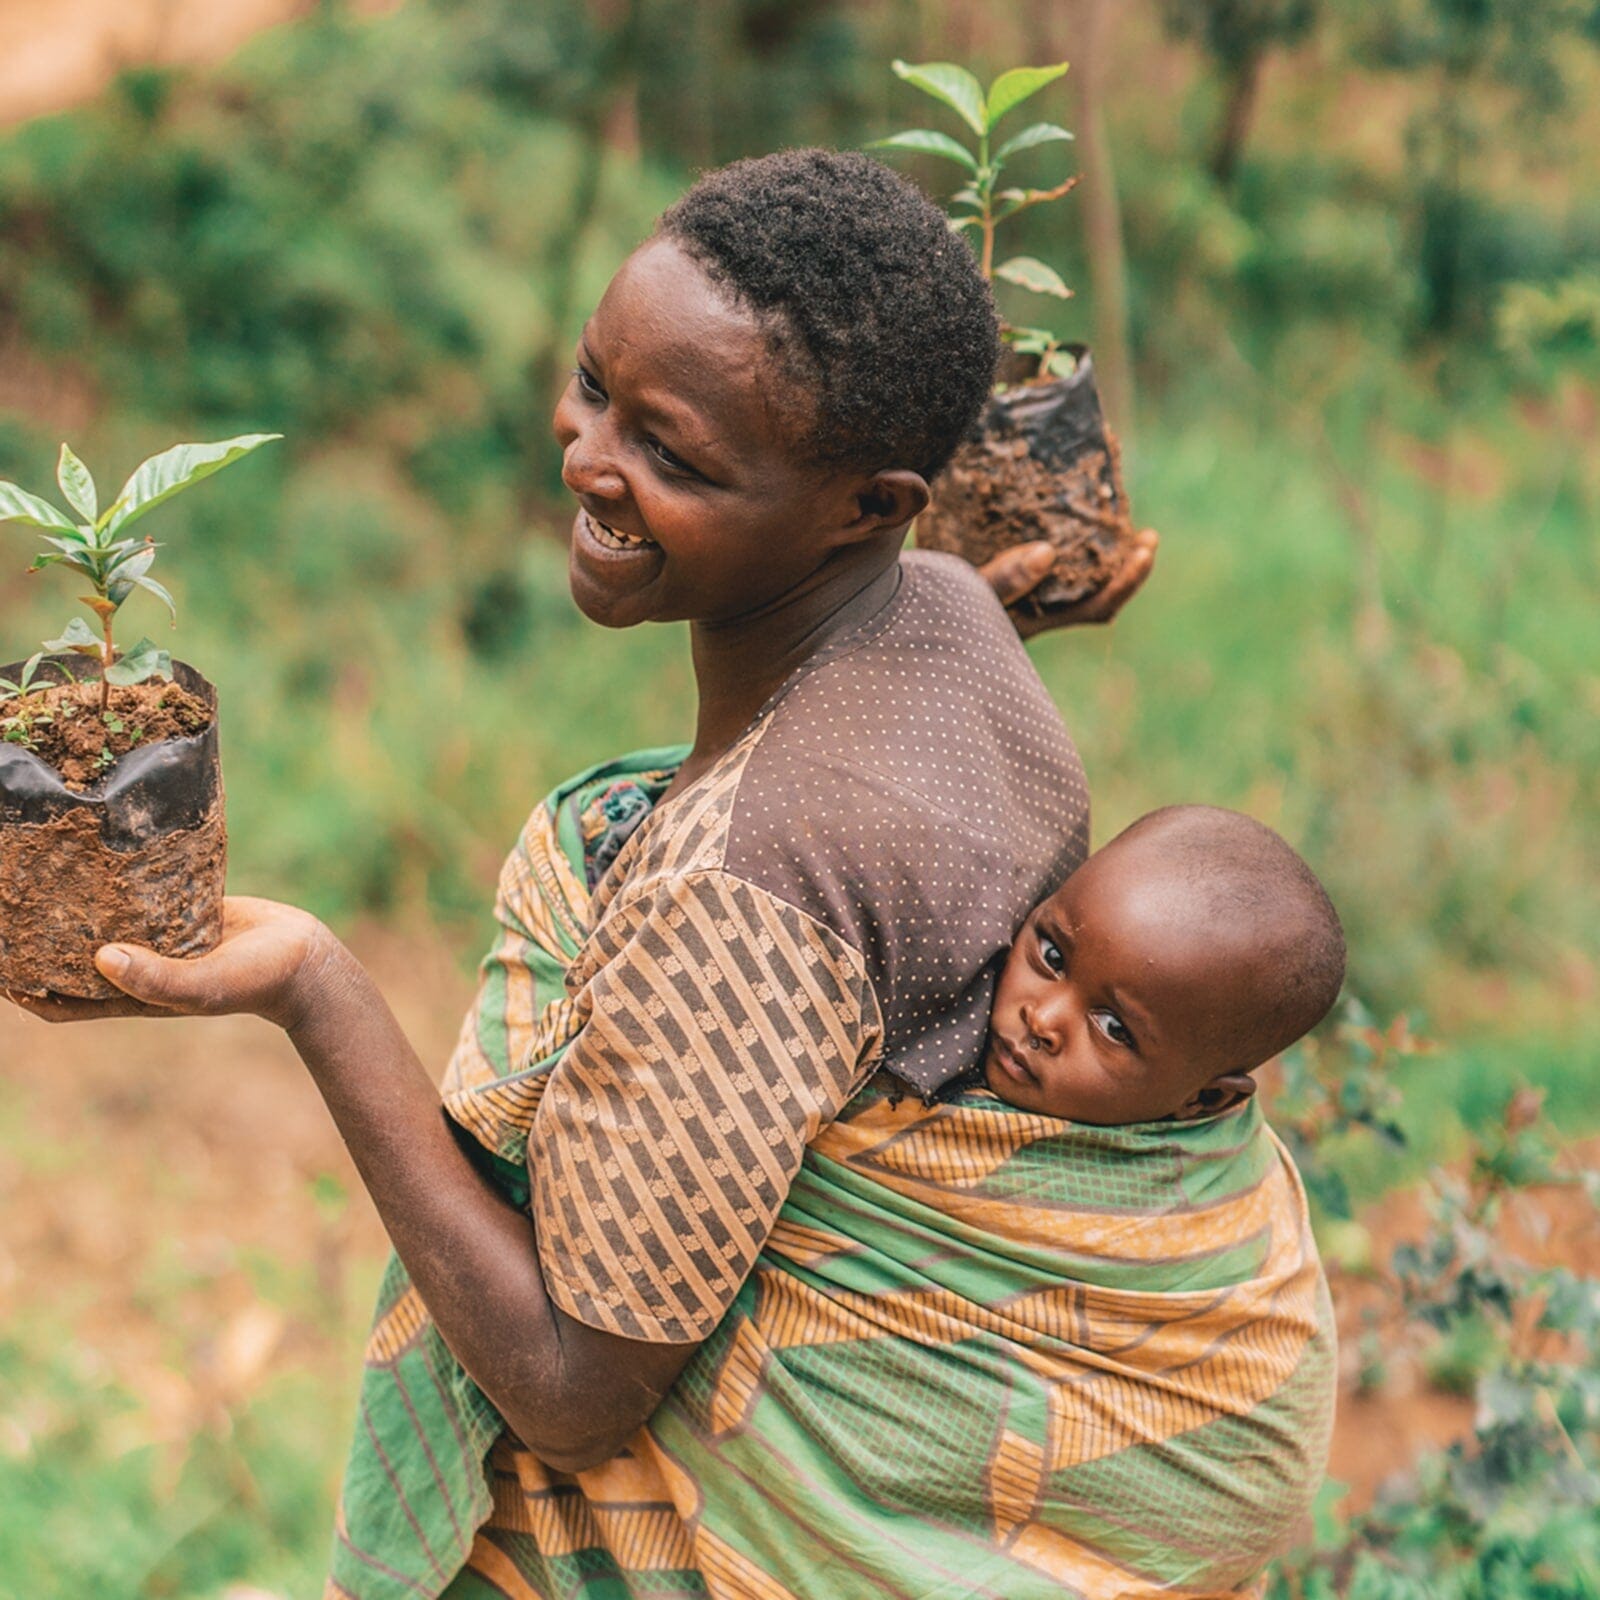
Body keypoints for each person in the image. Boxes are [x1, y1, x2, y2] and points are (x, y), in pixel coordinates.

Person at [3, 149, 1323, 1600]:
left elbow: (574, 1390)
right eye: (593, 386)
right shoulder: (952, 617)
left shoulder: (743, 895)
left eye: (674, 453)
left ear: (868, 506)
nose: (585, 457)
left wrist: (318, 991)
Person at [980, 803, 1346, 1124]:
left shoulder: (1153, 1200)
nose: (1041, 1019)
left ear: (1205, 1100)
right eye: (1052, 957)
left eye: (1113, 1028)